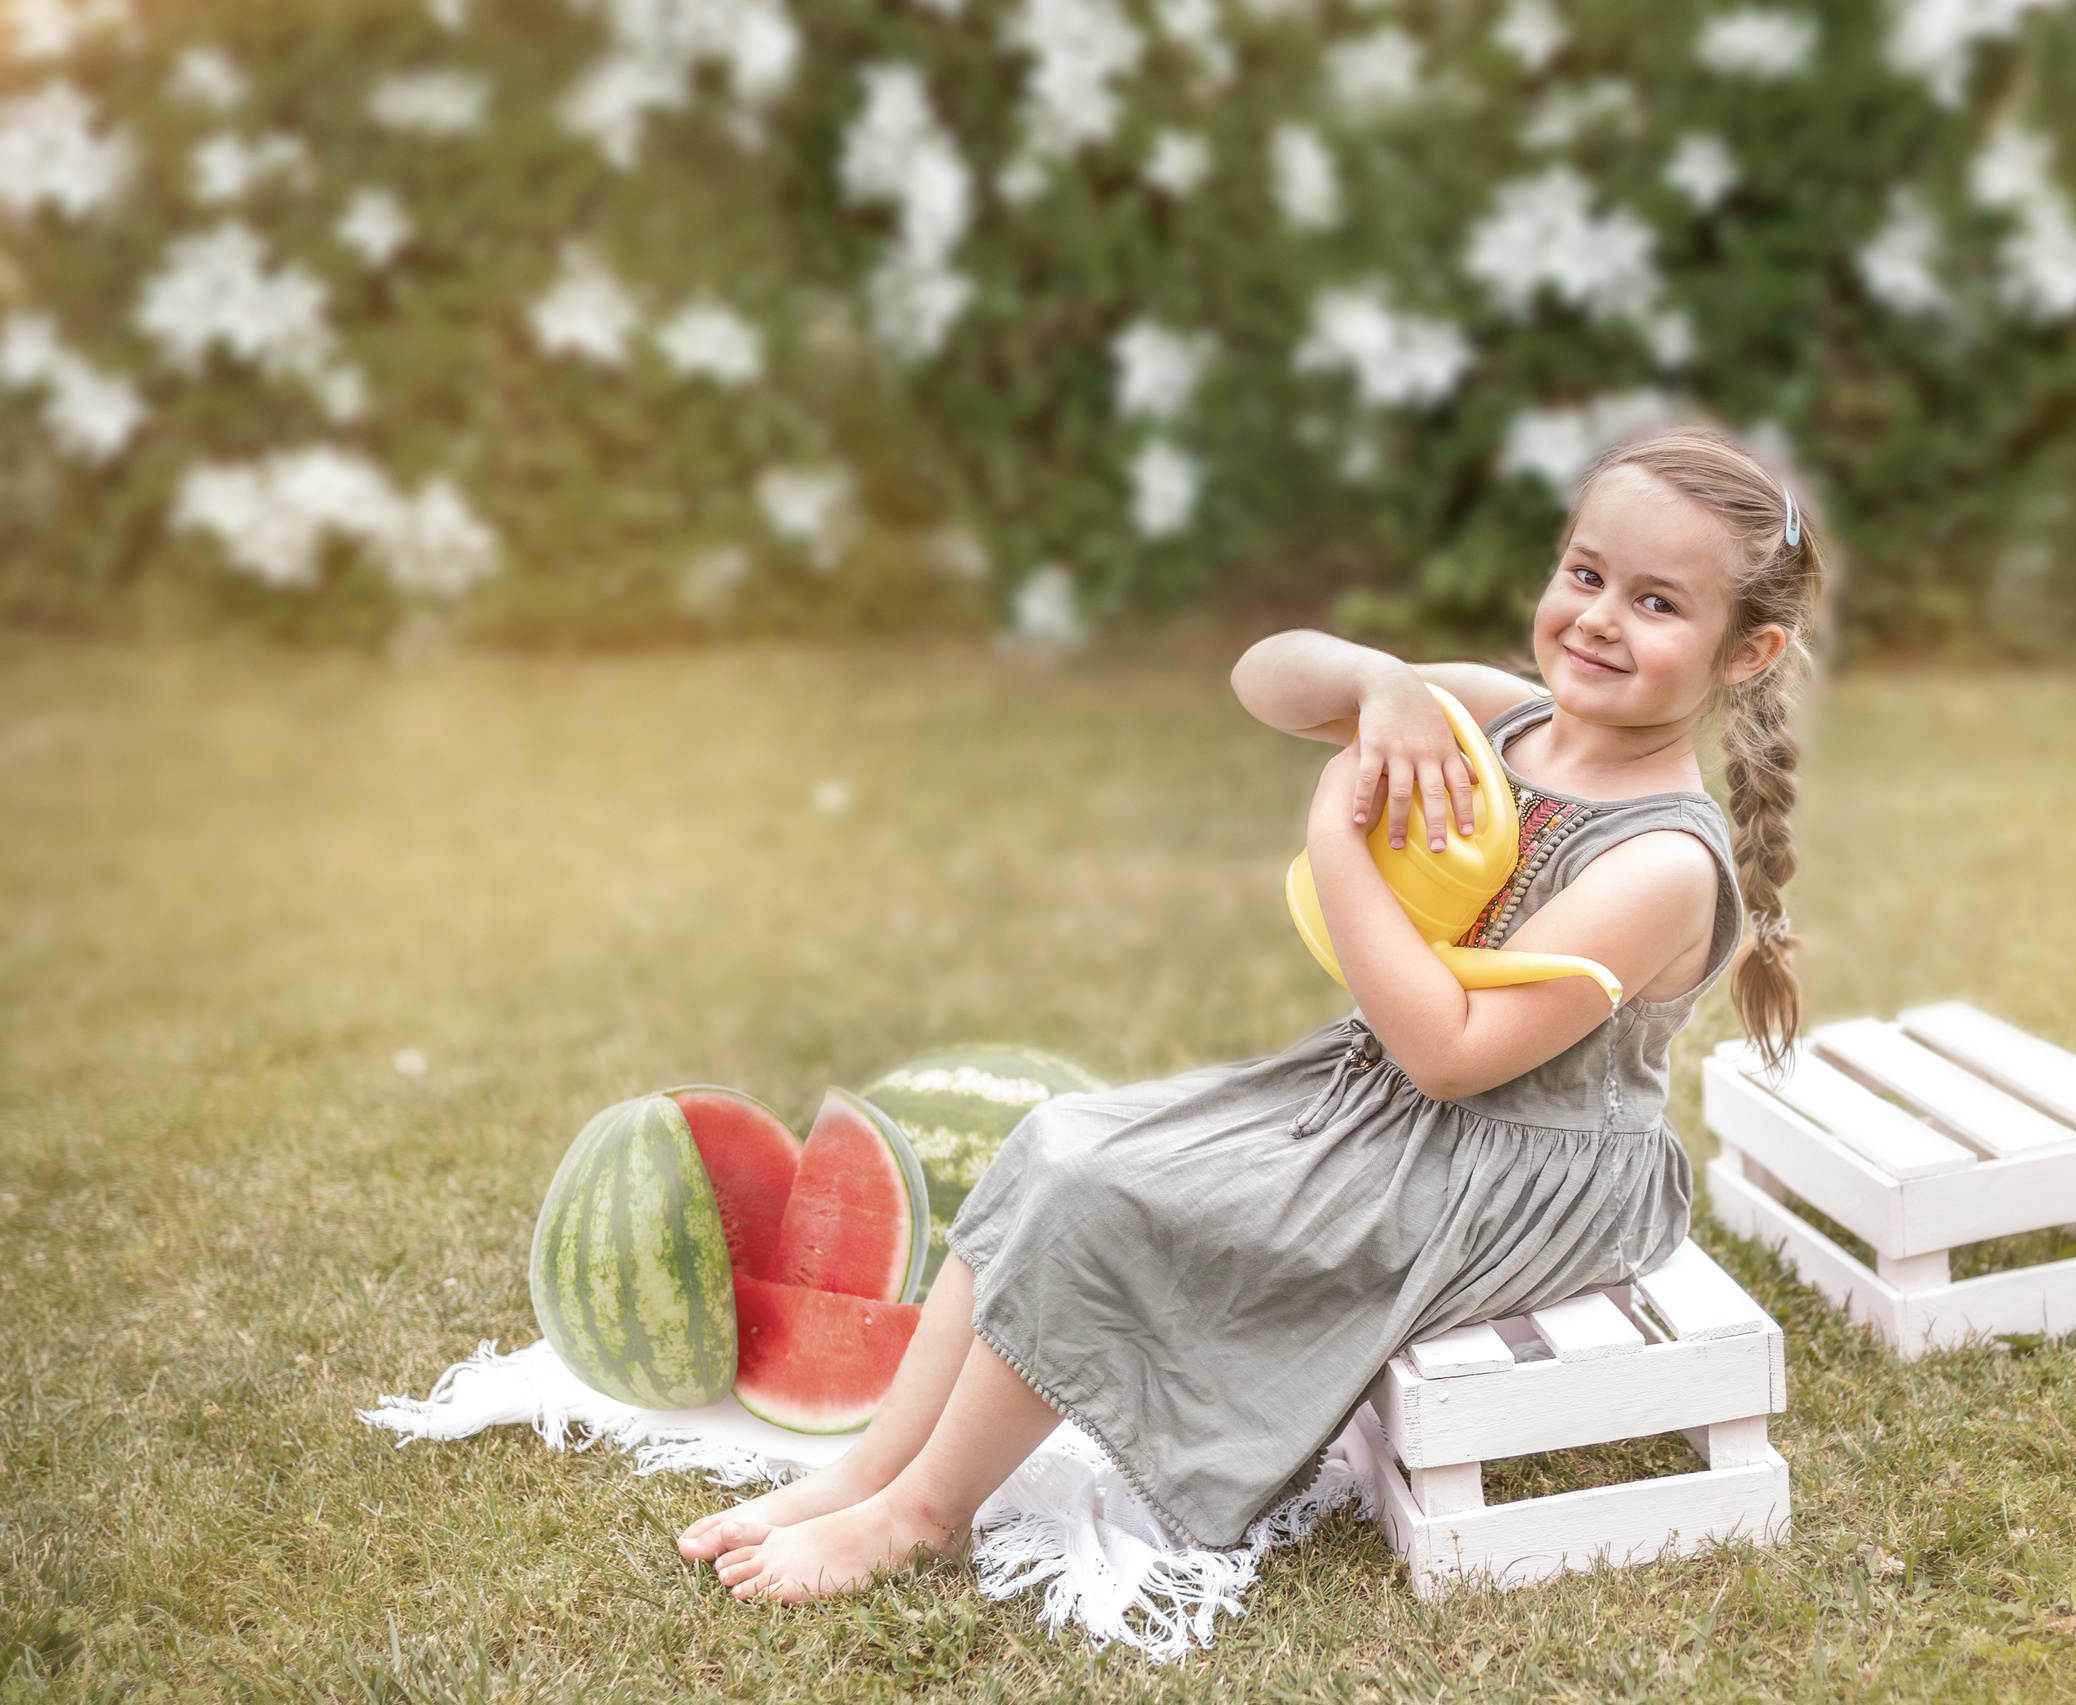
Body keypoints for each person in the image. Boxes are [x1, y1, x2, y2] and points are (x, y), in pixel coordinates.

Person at [678, 427, 1822, 1601]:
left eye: (1657, 602)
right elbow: (1263, 676)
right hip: (1385, 1096)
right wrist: (1383, 684)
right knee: (1057, 1140)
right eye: (1584, 574)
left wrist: (1337, 838)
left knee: (1101, 1201)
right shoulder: (1505, 720)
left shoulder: (1662, 863)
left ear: (1748, 653)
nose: (1597, 618)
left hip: (1521, 1165)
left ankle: (923, 1513)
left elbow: (1449, 1054)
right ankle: (869, 1465)